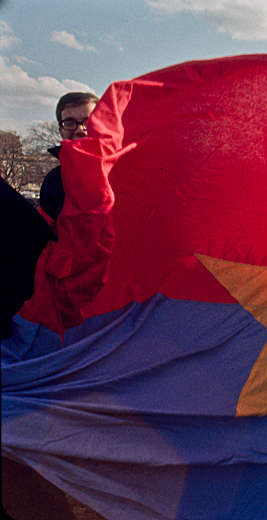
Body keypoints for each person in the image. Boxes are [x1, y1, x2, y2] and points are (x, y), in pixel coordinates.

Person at [1, 91, 98, 520]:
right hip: (56, 303)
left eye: (85, 120)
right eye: (69, 122)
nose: (77, 128)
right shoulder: (55, 180)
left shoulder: (124, 168)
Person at [40, 91, 99, 222]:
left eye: (88, 121)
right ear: (61, 130)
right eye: (69, 123)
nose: (80, 130)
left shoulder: (126, 171)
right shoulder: (53, 181)